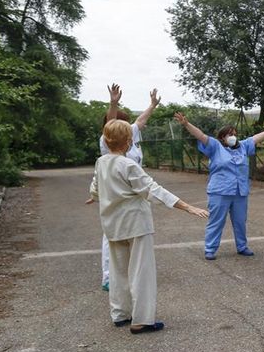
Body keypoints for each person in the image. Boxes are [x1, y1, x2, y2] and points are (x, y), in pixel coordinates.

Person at [87, 119, 208, 334]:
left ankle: (120, 314)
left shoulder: (101, 162)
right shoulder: (128, 165)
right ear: (128, 141)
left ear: (106, 140)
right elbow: (152, 190)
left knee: (117, 271)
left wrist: (97, 196)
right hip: (135, 224)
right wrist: (187, 206)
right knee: (141, 271)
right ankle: (142, 320)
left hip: (112, 225)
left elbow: (95, 190)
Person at [173, 112, 264, 260]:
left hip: (240, 192)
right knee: (216, 221)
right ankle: (210, 249)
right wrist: (186, 124)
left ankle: (242, 247)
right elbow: (201, 136)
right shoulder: (215, 146)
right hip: (220, 192)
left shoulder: (242, 146)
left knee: (240, 222)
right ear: (222, 137)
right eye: (230, 134)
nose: (233, 137)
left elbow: (255, 138)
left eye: (235, 134)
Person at [97, 84, 161, 291]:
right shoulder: (107, 140)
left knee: (134, 234)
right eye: (123, 123)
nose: (129, 126)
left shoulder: (130, 135)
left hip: (134, 192)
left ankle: (130, 274)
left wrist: (152, 105)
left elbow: (140, 121)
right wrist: (113, 103)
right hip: (116, 193)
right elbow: (111, 122)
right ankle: (109, 277)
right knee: (112, 235)